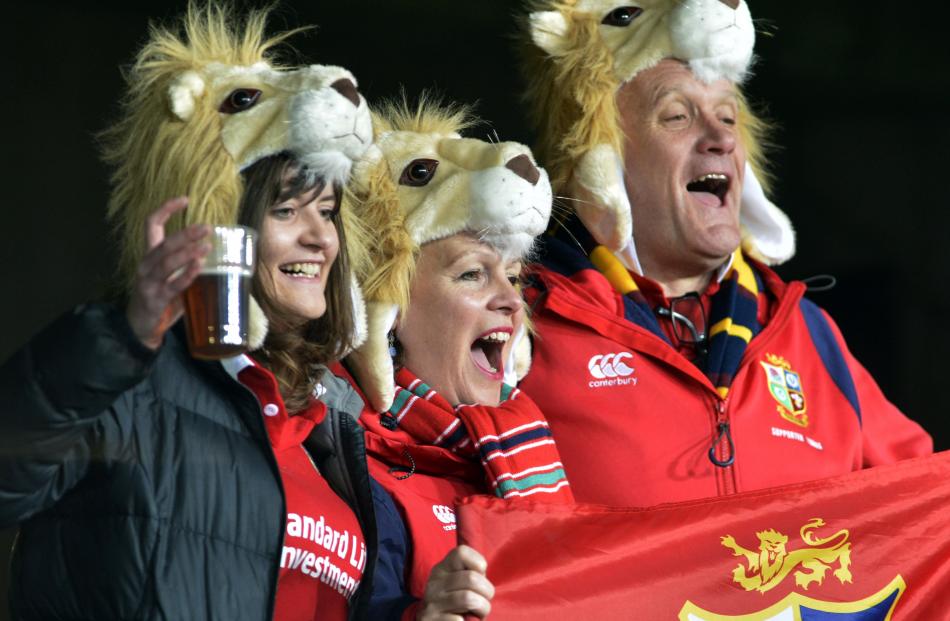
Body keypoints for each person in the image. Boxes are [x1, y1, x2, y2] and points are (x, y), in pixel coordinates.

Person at [0, 6, 380, 620]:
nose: (320, 238)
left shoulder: (332, 426)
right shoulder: (129, 382)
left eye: (329, 212)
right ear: (220, 222)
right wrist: (120, 340)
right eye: (285, 211)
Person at [515, 0, 933, 507]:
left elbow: (924, 510)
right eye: (677, 116)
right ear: (602, 154)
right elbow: (435, 508)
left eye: (728, 117)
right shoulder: (517, 325)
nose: (719, 139)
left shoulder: (806, 331)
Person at [338, 101, 568, 620]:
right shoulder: (338, 463)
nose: (512, 300)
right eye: (472, 274)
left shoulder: (520, 455)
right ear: (388, 312)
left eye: (513, 274)